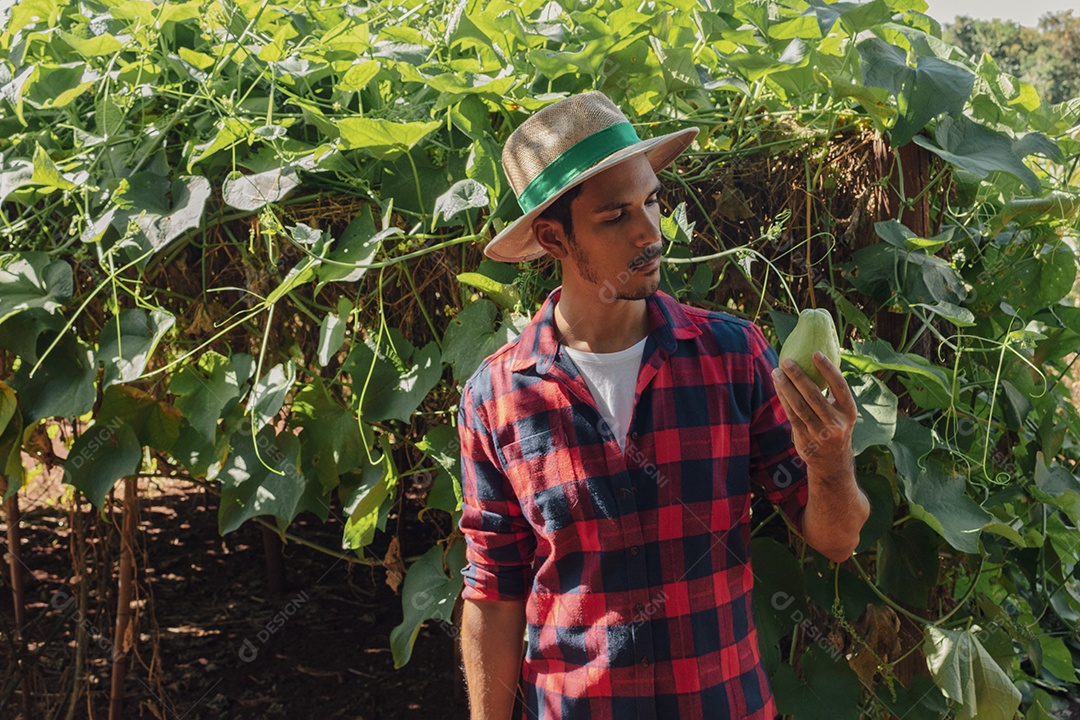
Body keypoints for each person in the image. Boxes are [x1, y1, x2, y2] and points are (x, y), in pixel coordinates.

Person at [455, 91, 870, 720]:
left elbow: (836, 541)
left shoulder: (732, 355)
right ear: (552, 236)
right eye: (616, 215)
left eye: (651, 199)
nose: (650, 229)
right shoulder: (498, 396)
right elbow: (494, 588)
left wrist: (831, 463)